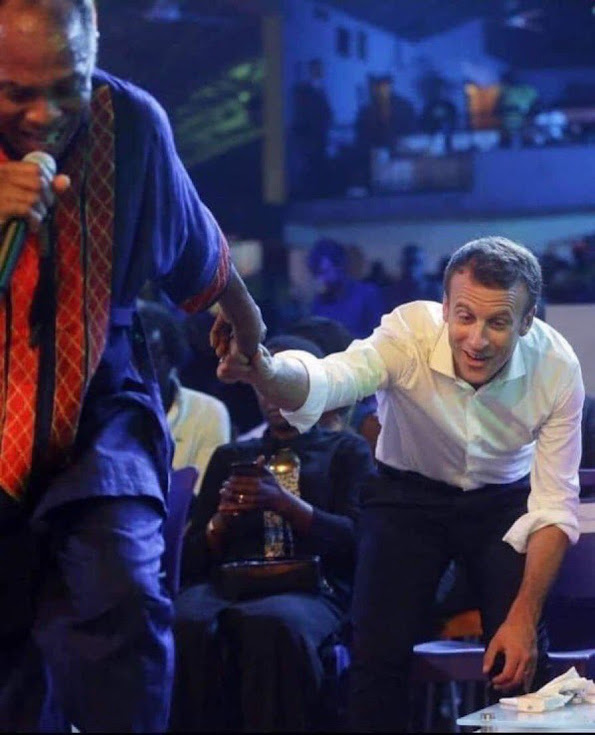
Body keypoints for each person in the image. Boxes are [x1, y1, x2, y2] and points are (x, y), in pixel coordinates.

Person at [0, 1, 264, 732]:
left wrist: (245, 316)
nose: (43, 114)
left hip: (97, 405)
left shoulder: (132, 124)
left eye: (67, 87)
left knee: (122, 593)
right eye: (16, 92)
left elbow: (192, 239)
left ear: (93, 50)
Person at [216, 236, 585, 731]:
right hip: (406, 498)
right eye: (465, 317)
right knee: (376, 657)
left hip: (503, 502)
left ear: (526, 320)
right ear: (445, 307)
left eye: (497, 322)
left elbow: (555, 505)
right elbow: (330, 378)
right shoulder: (407, 333)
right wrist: (264, 369)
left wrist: (523, 617)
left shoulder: (557, 367)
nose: (477, 340)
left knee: (522, 657)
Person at [169, 334, 377, 732]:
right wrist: (221, 522)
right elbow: (192, 557)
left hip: (314, 588)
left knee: (273, 624)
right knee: (185, 620)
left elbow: (359, 542)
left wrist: (286, 504)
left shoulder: (346, 452)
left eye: (284, 383)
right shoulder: (233, 456)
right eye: (264, 384)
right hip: (229, 584)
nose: (273, 396)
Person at [138, 299, 232, 493]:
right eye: (134, 357)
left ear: (172, 358)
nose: (140, 368)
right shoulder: (106, 411)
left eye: (151, 357)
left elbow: (205, 494)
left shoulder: (208, 412)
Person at [307, 237, 385, 340]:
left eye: (325, 272)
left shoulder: (368, 295)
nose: (321, 279)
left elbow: (379, 338)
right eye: (316, 274)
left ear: (340, 267)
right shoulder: (319, 302)